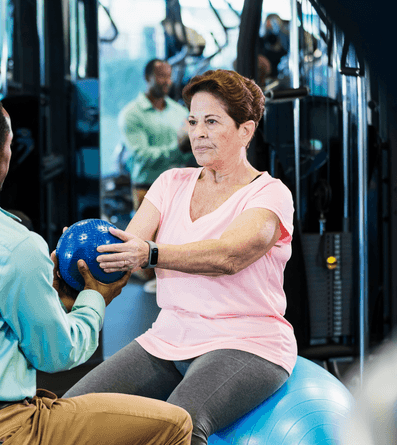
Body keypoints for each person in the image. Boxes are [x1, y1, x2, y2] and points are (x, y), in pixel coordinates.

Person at [0, 93, 192, 445]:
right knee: (175, 423)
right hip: (0, 431)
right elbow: (59, 354)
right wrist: (94, 298)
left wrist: (48, 300)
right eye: (9, 144)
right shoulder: (14, 243)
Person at [64, 70, 296, 445]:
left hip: (246, 342)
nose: (198, 132)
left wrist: (151, 253)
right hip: (169, 336)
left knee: (177, 427)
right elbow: (130, 245)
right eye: (192, 121)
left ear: (246, 131)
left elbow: (228, 256)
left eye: (211, 121)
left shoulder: (270, 194)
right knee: (68, 415)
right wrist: (79, 254)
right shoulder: (171, 182)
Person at [119, 58, 193, 292]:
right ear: (148, 77)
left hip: (179, 187)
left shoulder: (180, 111)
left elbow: (186, 155)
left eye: (169, 76)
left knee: (177, 244)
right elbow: (141, 155)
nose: (166, 82)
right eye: (161, 76)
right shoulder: (131, 114)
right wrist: (177, 148)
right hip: (148, 186)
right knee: (146, 258)